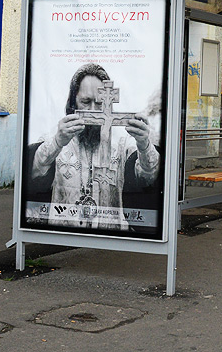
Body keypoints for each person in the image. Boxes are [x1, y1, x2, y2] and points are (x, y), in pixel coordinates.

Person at [26, 63, 159, 231]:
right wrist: (58, 142)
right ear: (73, 103)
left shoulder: (123, 143)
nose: (93, 111)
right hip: (65, 236)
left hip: (111, 237)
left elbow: (148, 176)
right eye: (85, 102)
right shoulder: (57, 139)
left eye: (99, 103)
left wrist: (144, 144)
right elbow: (34, 173)